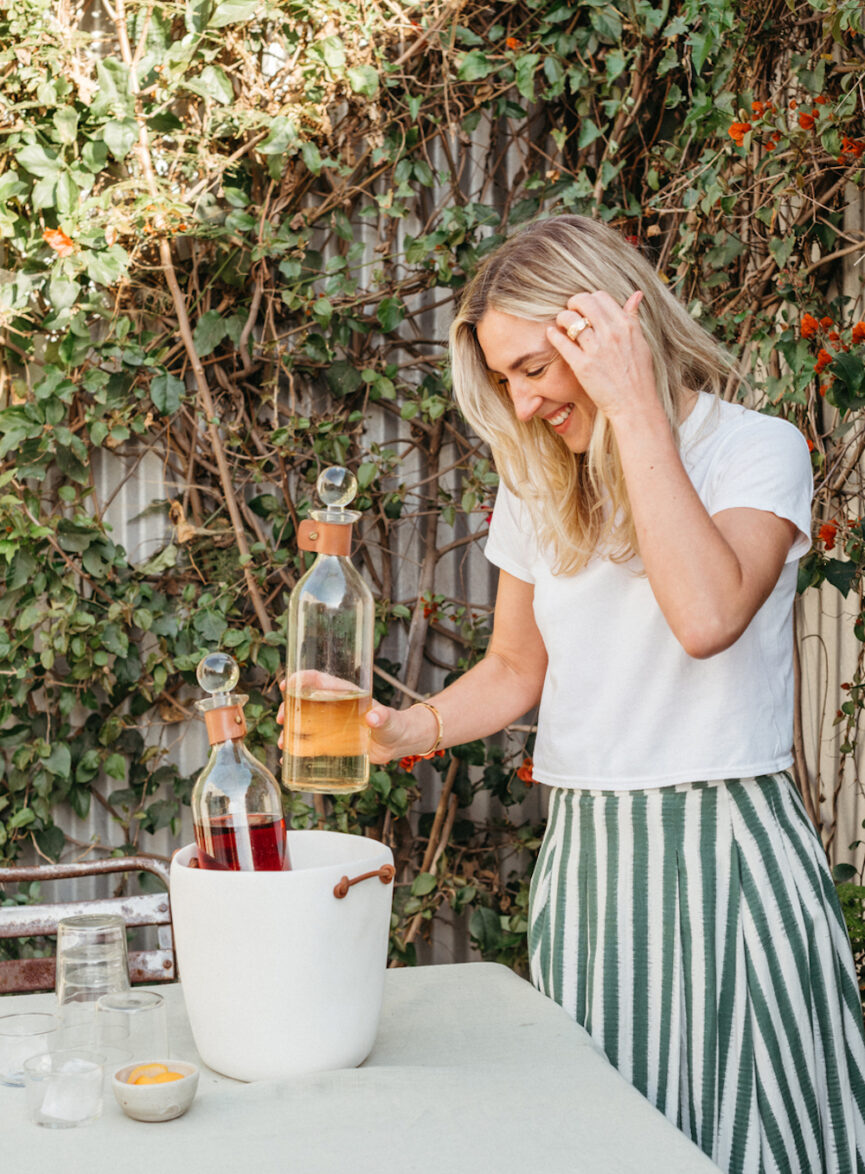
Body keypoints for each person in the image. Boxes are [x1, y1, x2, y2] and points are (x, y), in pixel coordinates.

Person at [359, 215, 865, 1173]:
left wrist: (635, 413)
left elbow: (706, 616)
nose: (522, 401)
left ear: (606, 330)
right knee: (600, 1143)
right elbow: (515, 669)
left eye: (534, 368)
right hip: (589, 863)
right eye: (504, 379)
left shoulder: (755, 450)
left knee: (749, 1144)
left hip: (730, 856)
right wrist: (404, 728)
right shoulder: (535, 478)